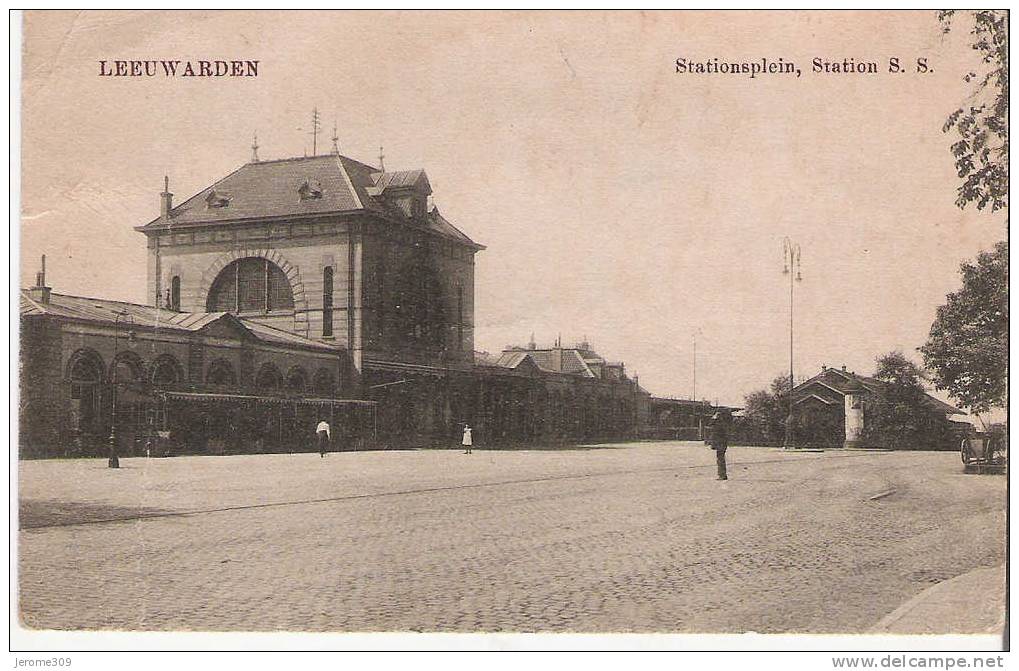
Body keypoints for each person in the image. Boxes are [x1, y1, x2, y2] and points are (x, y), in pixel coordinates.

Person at [709, 409, 732, 480]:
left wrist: (713, 418)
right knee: (720, 458)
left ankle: (722, 475)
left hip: (720, 444)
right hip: (722, 443)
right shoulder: (723, 424)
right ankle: (722, 474)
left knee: (720, 459)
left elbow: (711, 423)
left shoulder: (718, 425)